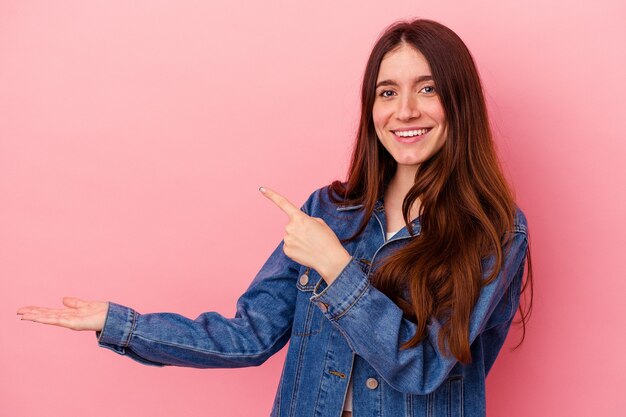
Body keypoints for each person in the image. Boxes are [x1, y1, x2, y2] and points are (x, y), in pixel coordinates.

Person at [17, 18, 533, 417]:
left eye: (427, 88)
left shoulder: (494, 232)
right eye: (387, 92)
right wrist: (123, 324)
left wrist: (337, 268)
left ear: (458, 102)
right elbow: (250, 336)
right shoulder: (328, 212)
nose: (404, 111)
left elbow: (423, 369)